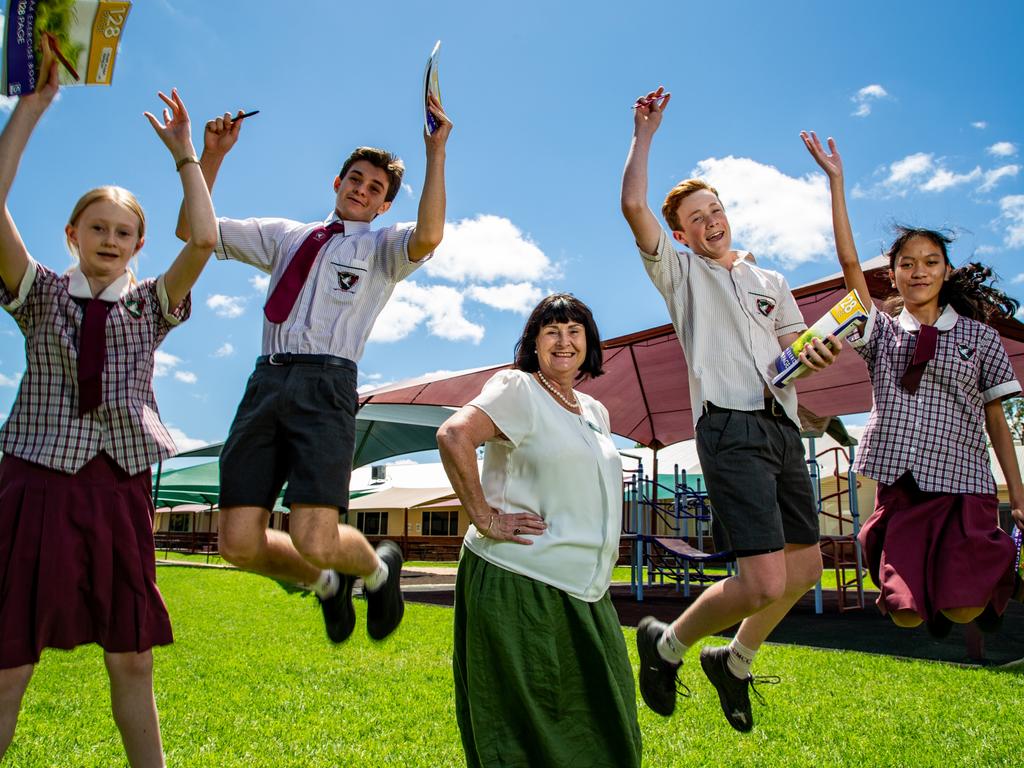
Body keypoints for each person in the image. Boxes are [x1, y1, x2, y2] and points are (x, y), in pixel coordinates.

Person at [0, 41, 217, 767]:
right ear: (71, 235)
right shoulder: (40, 295)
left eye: (124, 233)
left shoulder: (151, 309)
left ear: (138, 246)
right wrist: (31, 110)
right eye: (97, 228)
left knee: (132, 661)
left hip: (119, 487)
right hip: (32, 485)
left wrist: (187, 155)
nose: (110, 240)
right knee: (8, 664)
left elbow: (206, 239)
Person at [174, 96, 452, 644]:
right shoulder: (285, 235)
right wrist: (210, 156)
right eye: (356, 178)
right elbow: (191, 228)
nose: (362, 190)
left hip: (326, 386)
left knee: (314, 534)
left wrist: (435, 151)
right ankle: (326, 584)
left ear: (383, 206)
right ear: (337, 181)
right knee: (236, 543)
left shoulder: (381, 249)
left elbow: (430, 236)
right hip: (266, 382)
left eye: (375, 189)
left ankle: (376, 569)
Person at [619, 86, 841, 732]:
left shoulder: (769, 282)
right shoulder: (682, 277)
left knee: (806, 567)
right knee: (766, 580)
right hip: (730, 430)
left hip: (780, 430)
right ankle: (665, 645)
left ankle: (735, 662)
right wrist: (644, 134)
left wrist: (814, 352)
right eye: (696, 218)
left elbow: (791, 351)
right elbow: (634, 204)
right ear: (682, 235)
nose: (710, 221)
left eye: (715, 208)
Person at [802, 130, 1024, 635]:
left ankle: (988, 581)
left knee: (964, 609)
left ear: (946, 272)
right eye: (907, 264)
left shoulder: (980, 338)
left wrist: (1018, 494)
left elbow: (997, 420)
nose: (918, 271)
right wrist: (836, 182)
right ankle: (923, 594)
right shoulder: (879, 330)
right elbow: (848, 264)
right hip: (901, 480)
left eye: (930, 262)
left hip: (963, 480)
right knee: (903, 615)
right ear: (894, 276)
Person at [436, 294, 642, 768]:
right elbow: (454, 435)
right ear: (534, 343)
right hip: (522, 580)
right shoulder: (519, 388)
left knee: (606, 716)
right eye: (552, 332)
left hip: (587, 591)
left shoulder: (593, 410)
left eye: (575, 331)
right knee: (527, 726)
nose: (564, 341)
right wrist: (484, 516)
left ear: (589, 343)